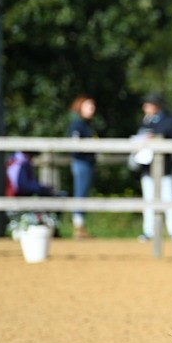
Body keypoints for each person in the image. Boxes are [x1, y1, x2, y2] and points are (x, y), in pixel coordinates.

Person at [134, 92, 172, 242]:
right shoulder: (145, 122)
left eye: (149, 104)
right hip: (147, 168)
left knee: (169, 199)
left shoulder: (169, 121)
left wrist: (155, 137)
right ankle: (149, 231)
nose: (145, 107)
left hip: (164, 168)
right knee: (148, 200)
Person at [67, 96, 98, 239]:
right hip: (81, 163)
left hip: (87, 163)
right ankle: (78, 226)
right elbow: (75, 145)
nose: (92, 109)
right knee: (80, 193)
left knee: (83, 193)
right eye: (89, 106)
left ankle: (81, 226)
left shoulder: (86, 125)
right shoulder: (77, 124)